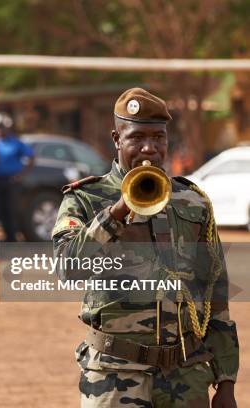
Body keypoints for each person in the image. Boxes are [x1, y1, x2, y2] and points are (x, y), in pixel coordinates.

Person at [52, 88, 238, 407]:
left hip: (186, 375)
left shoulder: (193, 201)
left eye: (158, 138)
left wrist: (226, 379)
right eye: (136, 138)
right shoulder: (84, 199)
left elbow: (214, 293)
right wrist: (117, 212)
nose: (148, 149)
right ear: (116, 138)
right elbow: (68, 268)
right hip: (114, 376)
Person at [0, 122, 34, 242]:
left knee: (11, 209)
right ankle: (5, 236)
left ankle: (13, 237)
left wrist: (21, 175)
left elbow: (31, 157)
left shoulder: (15, 142)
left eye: (2, 129)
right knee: (0, 210)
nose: (0, 131)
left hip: (12, 181)